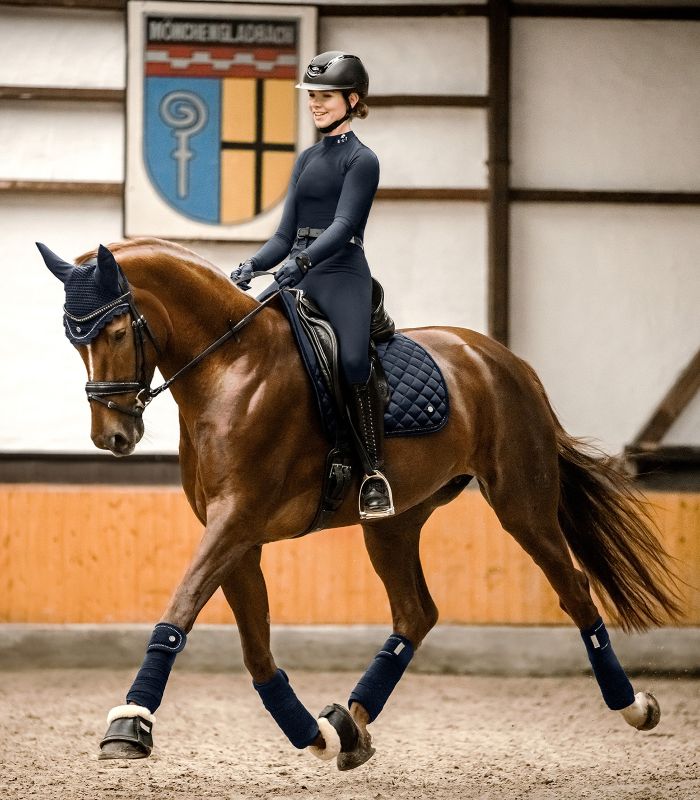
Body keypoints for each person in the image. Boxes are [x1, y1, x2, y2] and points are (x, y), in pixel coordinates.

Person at [231, 51, 394, 519]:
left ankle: (372, 473)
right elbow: (284, 234)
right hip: (298, 270)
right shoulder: (307, 159)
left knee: (353, 358)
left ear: (352, 99)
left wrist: (301, 261)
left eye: (324, 97)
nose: (316, 105)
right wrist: (253, 264)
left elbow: (343, 226)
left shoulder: (362, 160)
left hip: (340, 271)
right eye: (312, 97)